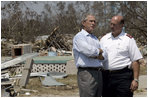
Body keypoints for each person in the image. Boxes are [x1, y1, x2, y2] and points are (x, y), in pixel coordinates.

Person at [100, 15, 143, 97]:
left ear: (122, 25)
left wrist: (136, 80)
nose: (112, 26)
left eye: (114, 24)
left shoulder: (128, 39)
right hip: (106, 77)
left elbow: (135, 60)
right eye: (111, 24)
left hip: (123, 77)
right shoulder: (104, 39)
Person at [73, 14, 107, 97]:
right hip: (87, 73)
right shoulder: (79, 37)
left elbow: (104, 55)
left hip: (98, 73)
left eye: (95, 21)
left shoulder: (95, 38)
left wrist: (98, 53)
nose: (93, 23)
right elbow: (89, 51)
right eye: (91, 21)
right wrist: (98, 52)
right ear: (83, 23)